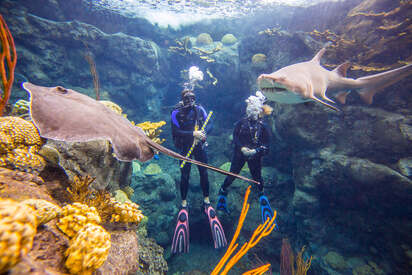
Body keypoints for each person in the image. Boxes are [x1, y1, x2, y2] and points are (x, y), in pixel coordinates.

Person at [170, 89, 227, 254]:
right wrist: (191, 133)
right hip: (185, 147)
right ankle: (184, 203)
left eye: (192, 98)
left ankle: (206, 201)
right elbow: (175, 131)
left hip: (199, 145)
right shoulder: (175, 112)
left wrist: (203, 134)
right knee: (185, 175)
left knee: (204, 172)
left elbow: (210, 124)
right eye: (187, 99)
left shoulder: (199, 109)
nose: (190, 101)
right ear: (182, 99)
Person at [216, 91, 274, 224]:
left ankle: (261, 195)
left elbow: (267, 145)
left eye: (253, 109)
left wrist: (256, 151)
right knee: (232, 174)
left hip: (254, 156)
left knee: (257, 177)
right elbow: (235, 137)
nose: (250, 111)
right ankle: (223, 190)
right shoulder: (241, 123)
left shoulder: (263, 126)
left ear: (259, 110)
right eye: (249, 108)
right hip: (240, 154)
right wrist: (242, 148)